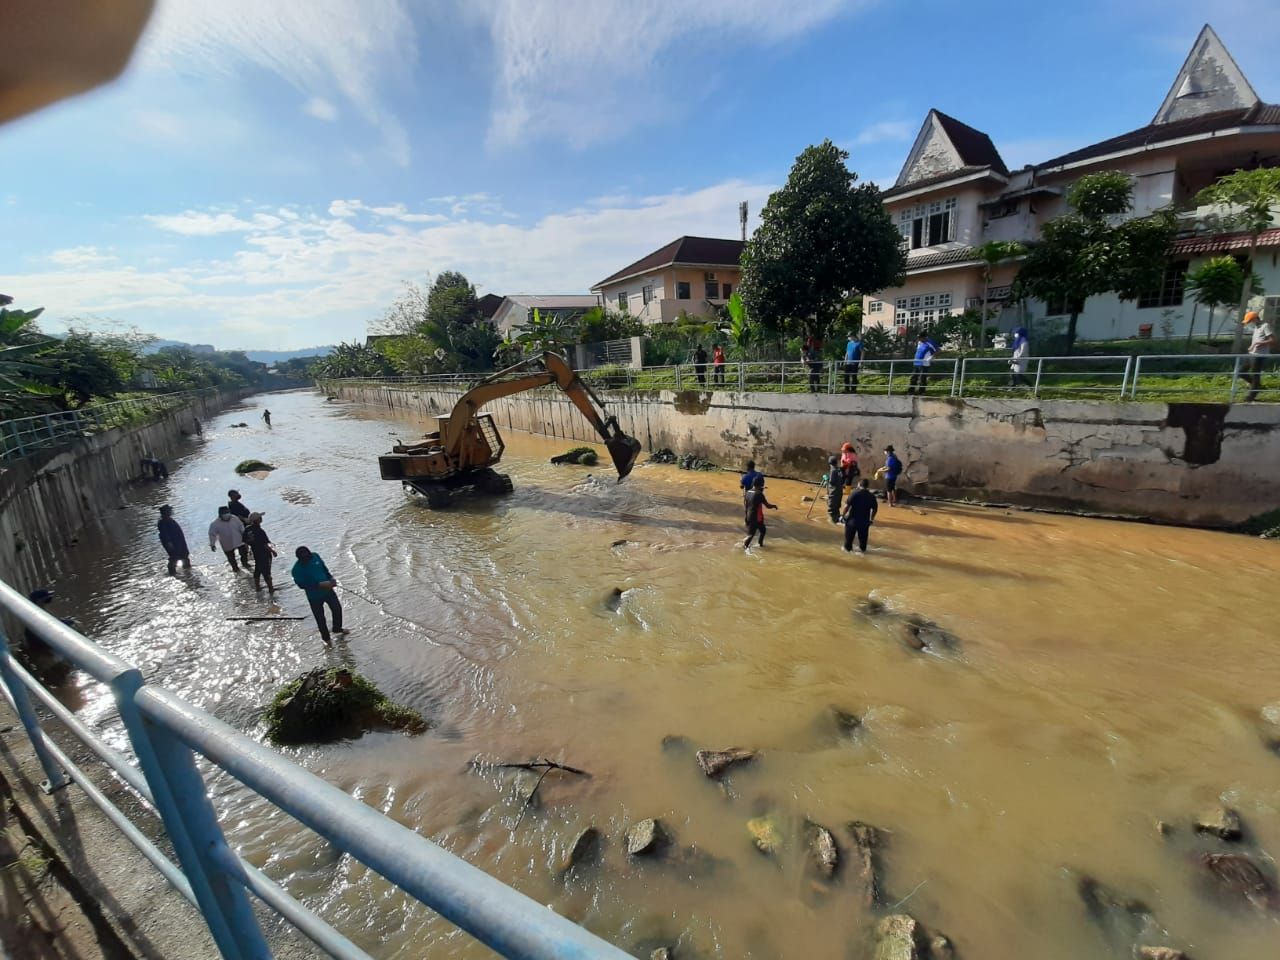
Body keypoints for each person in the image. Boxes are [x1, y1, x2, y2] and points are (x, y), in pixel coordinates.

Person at [291, 546, 346, 645]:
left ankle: (337, 628)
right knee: (320, 618)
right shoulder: (296, 569)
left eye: (308, 556)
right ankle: (326, 639)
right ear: (299, 558)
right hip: (314, 597)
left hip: (328, 591)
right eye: (305, 558)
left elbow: (324, 569)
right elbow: (301, 585)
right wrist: (319, 585)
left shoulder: (315, 556)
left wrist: (331, 578)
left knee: (337, 609)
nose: (308, 559)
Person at [20, 589, 75, 685]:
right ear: (39, 602)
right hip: (45, 653)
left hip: (45, 650)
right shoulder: (35, 619)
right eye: (46, 600)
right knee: (60, 678)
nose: (48, 603)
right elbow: (48, 630)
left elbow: (53, 623)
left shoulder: (36, 614)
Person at [1242, 310, 1274, 402]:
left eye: (1250, 321)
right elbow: (1257, 339)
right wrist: (1252, 345)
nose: (1249, 323)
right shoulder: (1256, 327)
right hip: (1252, 354)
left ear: (1255, 319)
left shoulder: (1265, 326)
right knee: (1241, 372)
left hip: (1259, 355)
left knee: (1255, 374)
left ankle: (1251, 395)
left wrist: (1258, 343)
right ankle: (1256, 385)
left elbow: (1272, 340)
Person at [841, 479, 879, 553]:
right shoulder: (871, 496)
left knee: (847, 546)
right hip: (864, 522)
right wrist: (871, 519)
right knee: (863, 546)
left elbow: (846, 506)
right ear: (867, 486)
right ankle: (862, 554)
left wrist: (843, 516)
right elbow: (875, 509)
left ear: (859, 484)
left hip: (852, 522)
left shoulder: (854, 493)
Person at [242, 512, 277, 592]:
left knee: (258, 568)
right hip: (264, 553)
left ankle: (257, 587)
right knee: (266, 571)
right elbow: (265, 544)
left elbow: (245, 541)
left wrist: (248, 550)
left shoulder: (247, 529)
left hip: (255, 552)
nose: (261, 519)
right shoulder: (260, 531)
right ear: (257, 520)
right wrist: (273, 551)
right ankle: (270, 588)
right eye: (259, 518)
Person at [742, 476, 777, 549]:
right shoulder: (759, 494)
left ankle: (760, 545)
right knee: (751, 535)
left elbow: (746, 506)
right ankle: (745, 548)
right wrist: (774, 506)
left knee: (762, 530)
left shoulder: (747, 492)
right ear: (761, 484)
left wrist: (746, 518)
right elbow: (767, 506)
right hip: (756, 517)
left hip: (749, 515)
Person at [208, 507, 247, 571]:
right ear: (220, 514)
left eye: (227, 512)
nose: (226, 514)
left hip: (239, 540)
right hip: (227, 544)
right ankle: (235, 569)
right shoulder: (215, 524)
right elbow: (212, 535)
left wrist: (245, 537)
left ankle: (245, 564)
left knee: (244, 553)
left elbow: (241, 527)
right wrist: (212, 544)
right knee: (231, 559)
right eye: (224, 513)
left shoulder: (235, 518)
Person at [157, 505, 190, 575]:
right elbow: (164, 534)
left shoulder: (170, 520)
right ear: (165, 512)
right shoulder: (163, 522)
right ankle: (172, 573)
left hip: (179, 542)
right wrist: (169, 543)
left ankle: (188, 572)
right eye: (169, 510)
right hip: (173, 544)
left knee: (184, 556)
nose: (171, 512)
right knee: (174, 557)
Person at [825, 455, 844, 524]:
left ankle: (834, 523)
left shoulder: (833, 470)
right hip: (839, 492)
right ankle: (838, 520)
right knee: (836, 509)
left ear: (830, 463)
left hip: (834, 493)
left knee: (831, 510)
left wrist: (826, 480)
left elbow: (832, 482)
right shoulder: (839, 470)